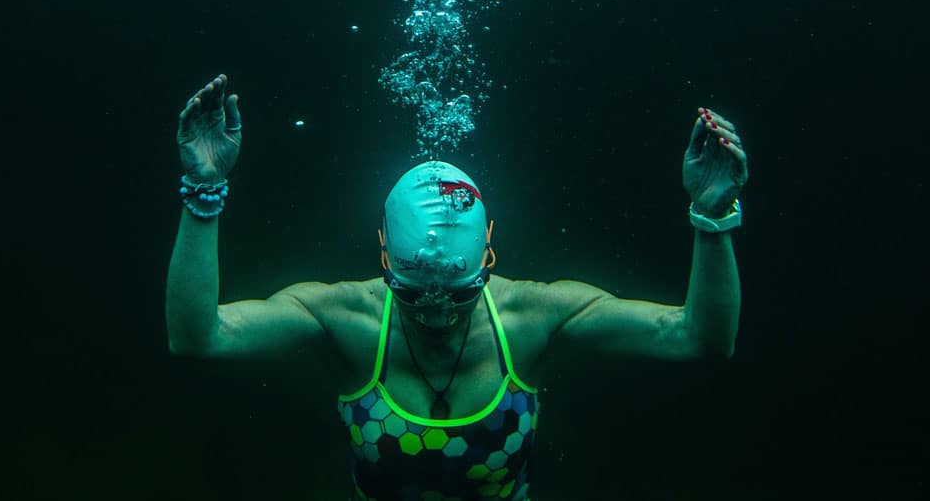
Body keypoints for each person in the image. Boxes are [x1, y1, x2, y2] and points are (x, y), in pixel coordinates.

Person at [167, 74, 748, 501]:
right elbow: (200, 337)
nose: (439, 309)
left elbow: (698, 338)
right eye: (414, 293)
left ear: (490, 251)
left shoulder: (531, 319)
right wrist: (203, 193)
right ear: (383, 256)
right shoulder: (347, 320)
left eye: (462, 291)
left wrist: (712, 216)